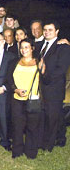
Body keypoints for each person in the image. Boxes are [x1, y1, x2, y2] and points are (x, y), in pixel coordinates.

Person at [36, 21, 70, 152]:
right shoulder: (40, 46)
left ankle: (48, 144)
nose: (47, 32)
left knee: (52, 116)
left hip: (54, 88)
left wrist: (45, 76)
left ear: (57, 32)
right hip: (41, 88)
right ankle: (57, 138)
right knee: (46, 115)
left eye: (50, 30)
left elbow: (61, 70)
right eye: (45, 29)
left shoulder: (63, 47)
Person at [6, 38, 43, 159]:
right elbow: (9, 79)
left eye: (27, 47)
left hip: (32, 100)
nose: (24, 50)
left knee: (32, 126)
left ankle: (31, 152)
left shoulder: (39, 62)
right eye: (22, 47)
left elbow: (45, 80)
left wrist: (44, 70)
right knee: (17, 126)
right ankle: (17, 150)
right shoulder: (14, 62)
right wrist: (15, 89)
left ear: (32, 48)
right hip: (17, 99)